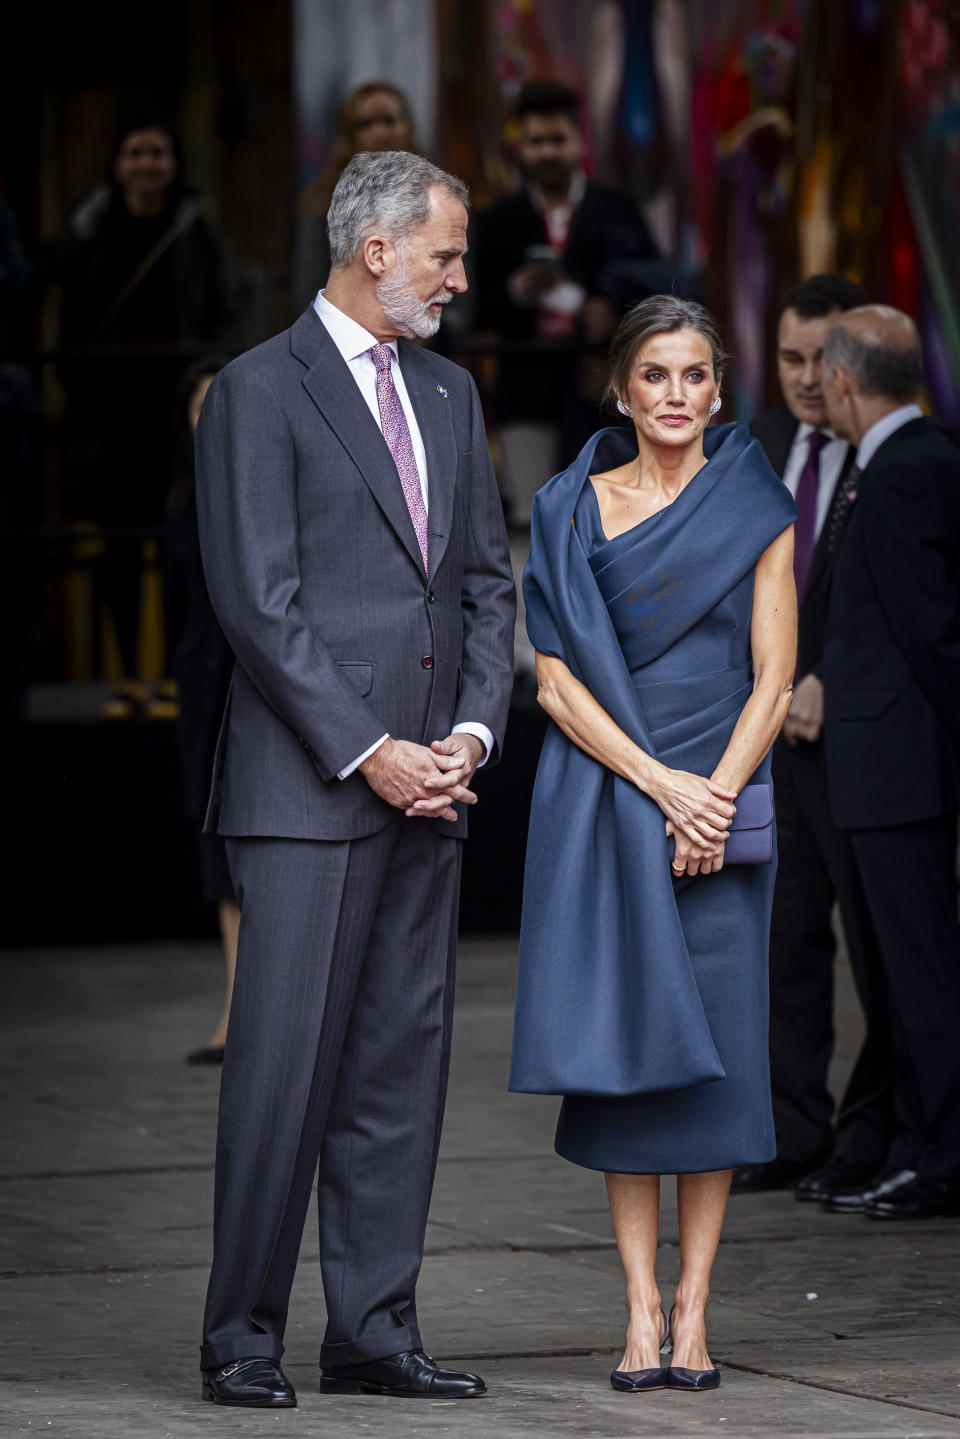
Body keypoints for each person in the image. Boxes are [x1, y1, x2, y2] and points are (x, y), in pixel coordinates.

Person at [194, 150, 515, 1407]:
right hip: (311, 793)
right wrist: (374, 751)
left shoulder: (451, 392)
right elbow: (256, 606)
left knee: (397, 1071)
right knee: (279, 1076)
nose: (460, 274)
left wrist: (470, 739)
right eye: (445, 250)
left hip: (436, 786)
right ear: (374, 249)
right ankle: (242, 1336)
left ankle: (374, 1329)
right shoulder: (255, 392)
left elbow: (487, 585)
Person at [510, 296, 797, 1393]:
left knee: (719, 1052)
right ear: (621, 389)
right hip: (612, 795)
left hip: (721, 790)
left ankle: (694, 1312)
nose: (676, 395)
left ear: (719, 388)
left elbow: (775, 674)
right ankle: (635, 1311)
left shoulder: (757, 501)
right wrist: (660, 786)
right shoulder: (567, 508)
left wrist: (713, 798)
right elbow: (555, 680)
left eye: (695, 376)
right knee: (629, 1053)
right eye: (655, 375)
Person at [733, 274, 897, 1201]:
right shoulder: (755, 443)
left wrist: (829, 674)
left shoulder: (891, 455)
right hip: (763, 741)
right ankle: (793, 1130)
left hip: (858, 740)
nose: (805, 377)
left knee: (877, 948)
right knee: (783, 938)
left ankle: (880, 1129)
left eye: (821, 359)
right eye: (790, 357)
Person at [820, 305, 960, 1220]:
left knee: (922, 974)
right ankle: (913, 1142)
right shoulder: (905, 461)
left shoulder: (908, 468)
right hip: (881, 761)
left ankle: (944, 1156)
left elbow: (932, 631)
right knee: (900, 973)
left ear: (842, 380)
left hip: (900, 762)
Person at [58, 118, 231, 710]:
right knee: (120, 545)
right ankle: (129, 674)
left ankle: (174, 675)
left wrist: (204, 382)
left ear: (175, 163)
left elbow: (217, 314)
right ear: (116, 163)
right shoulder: (89, 230)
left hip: (176, 413)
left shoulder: (194, 230)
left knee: (181, 545)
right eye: (136, 152)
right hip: (112, 413)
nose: (147, 163)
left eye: (158, 152)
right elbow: (71, 323)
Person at [474, 79, 659, 523]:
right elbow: (473, 307)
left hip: (604, 393)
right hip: (525, 391)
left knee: (611, 521)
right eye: (536, 142)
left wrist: (610, 311)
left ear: (579, 143)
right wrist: (519, 291)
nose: (547, 153)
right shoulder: (499, 219)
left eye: (557, 140)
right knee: (535, 521)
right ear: (520, 147)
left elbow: (655, 287)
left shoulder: (617, 208)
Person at [164, 357, 238, 1065]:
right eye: (198, 407)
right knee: (215, 848)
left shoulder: (263, 485)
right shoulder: (182, 498)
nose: (210, 417)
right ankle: (232, 1008)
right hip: (201, 687)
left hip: (258, 684)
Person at [293, 82, 418, 313]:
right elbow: (310, 290)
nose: (379, 132)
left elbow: (457, 289)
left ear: (408, 127)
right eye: (366, 124)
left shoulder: (439, 195)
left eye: (388, 120)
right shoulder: (324, 203)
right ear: (349, 135)